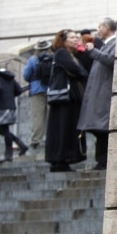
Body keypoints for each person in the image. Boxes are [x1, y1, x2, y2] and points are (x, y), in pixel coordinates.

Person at [44, 29, 88, 172]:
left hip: (68, 98)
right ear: (63, 40)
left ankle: (60, 159)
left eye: (77, 37)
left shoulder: (70, 54)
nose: (76, 39)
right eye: (72, 37)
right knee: (63, 128)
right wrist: (81, 72)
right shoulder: (62, 53)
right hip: (65, 99)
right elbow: (77, 70)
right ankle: (60, 159)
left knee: (64, 128)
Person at [77, 17, 117, 171]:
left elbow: (111, 59)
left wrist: (93, 51)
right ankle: (101, 160)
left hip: (104, 93)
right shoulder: (106, 45)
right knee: (97, 128)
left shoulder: (114, 43)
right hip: (98, 93)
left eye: (100, 27)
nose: (98, 30)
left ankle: (103, 160)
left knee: (102, 129)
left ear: (107, 28)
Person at [0, 59, 29, 163]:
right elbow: (19, 90)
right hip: (11, 106)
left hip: (2, 106)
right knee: (3, 130)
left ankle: (9, 154)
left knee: (3, 130)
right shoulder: (8, 76)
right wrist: (10, 95)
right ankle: (21, 145)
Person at [22, 39, 52, 149]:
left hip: (36, 90)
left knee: (38, 115)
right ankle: (52, 137)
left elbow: (26, 75)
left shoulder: (32, 59)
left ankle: (36, 140)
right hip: (51, 89)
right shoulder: (52, 58)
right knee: (50, 115)